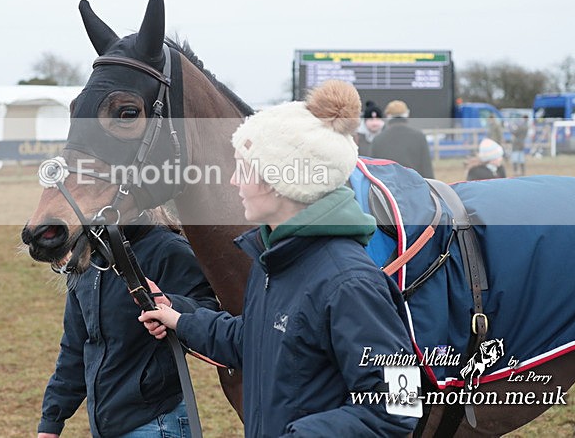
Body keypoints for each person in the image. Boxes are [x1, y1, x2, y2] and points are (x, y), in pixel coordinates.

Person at [140, 81, 419, 437]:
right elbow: (253, 337)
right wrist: (180, 319)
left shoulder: (351, 284)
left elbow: (398, 406)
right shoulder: (273, 262)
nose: (234, 180)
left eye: (244, 168)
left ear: (281, 180)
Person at [37, 207, 218, 438]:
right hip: (107, 425)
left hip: (157, 422)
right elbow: (76, 347)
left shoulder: (167, 249)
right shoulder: (87, 259)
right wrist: (51, 421)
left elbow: (208, 312)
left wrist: (171, 305)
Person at [370, 100, 434, 178]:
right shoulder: (419, 137)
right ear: (407, 114)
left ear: (387, 115)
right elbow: (427, 170)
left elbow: (372, 171)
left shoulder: (378, 140)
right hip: (414, 186)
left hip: (387, 188)